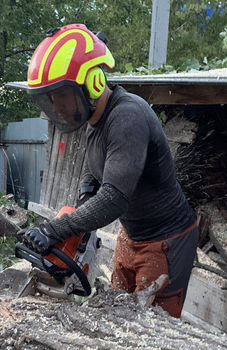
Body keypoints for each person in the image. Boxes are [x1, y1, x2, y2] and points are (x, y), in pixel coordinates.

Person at [15, 23, 198, 318]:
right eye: (51, 98)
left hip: (165, 242)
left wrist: (56, 229)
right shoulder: (96, 119)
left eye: (61, 95)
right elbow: (95, 170)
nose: (57, 106)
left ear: (94, 82)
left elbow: (114, 197)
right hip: (131, 235)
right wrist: (85, 200)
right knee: (115, 314)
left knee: (150, 332)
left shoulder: (127, 118)